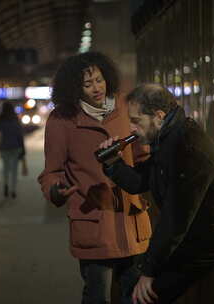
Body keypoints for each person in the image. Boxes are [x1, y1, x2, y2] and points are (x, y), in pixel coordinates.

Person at [99, 84, 214, 304]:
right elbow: (140, 182)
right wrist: (113, 164)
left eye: (136, 121)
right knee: (130, 285)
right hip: (188, 235)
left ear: (158, 116)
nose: (131, 129)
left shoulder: (187, 148)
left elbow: (175, 219)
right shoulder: (166, 138)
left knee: (140, 297)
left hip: (206, 241)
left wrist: (149, 272)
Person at [37, 51, 152, 304]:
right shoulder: (61, 119)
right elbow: (51, 172)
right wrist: (56, 190)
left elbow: (142, 155)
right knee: (97, 297)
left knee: (136, 296)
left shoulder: (125, 107)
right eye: (87, 84)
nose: (96, 88)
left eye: (99, 80)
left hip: (131, 219)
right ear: (74, 88)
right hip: (94, 223)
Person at [0, 102, 25, 198]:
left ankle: (5, 185)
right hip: (15, 147)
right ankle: (13, 190)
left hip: (4, 147)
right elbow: (20, 135)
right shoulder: (15, 119)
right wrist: (23, 149)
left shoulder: (0, 119)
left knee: (5, 169)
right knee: (14, 170)